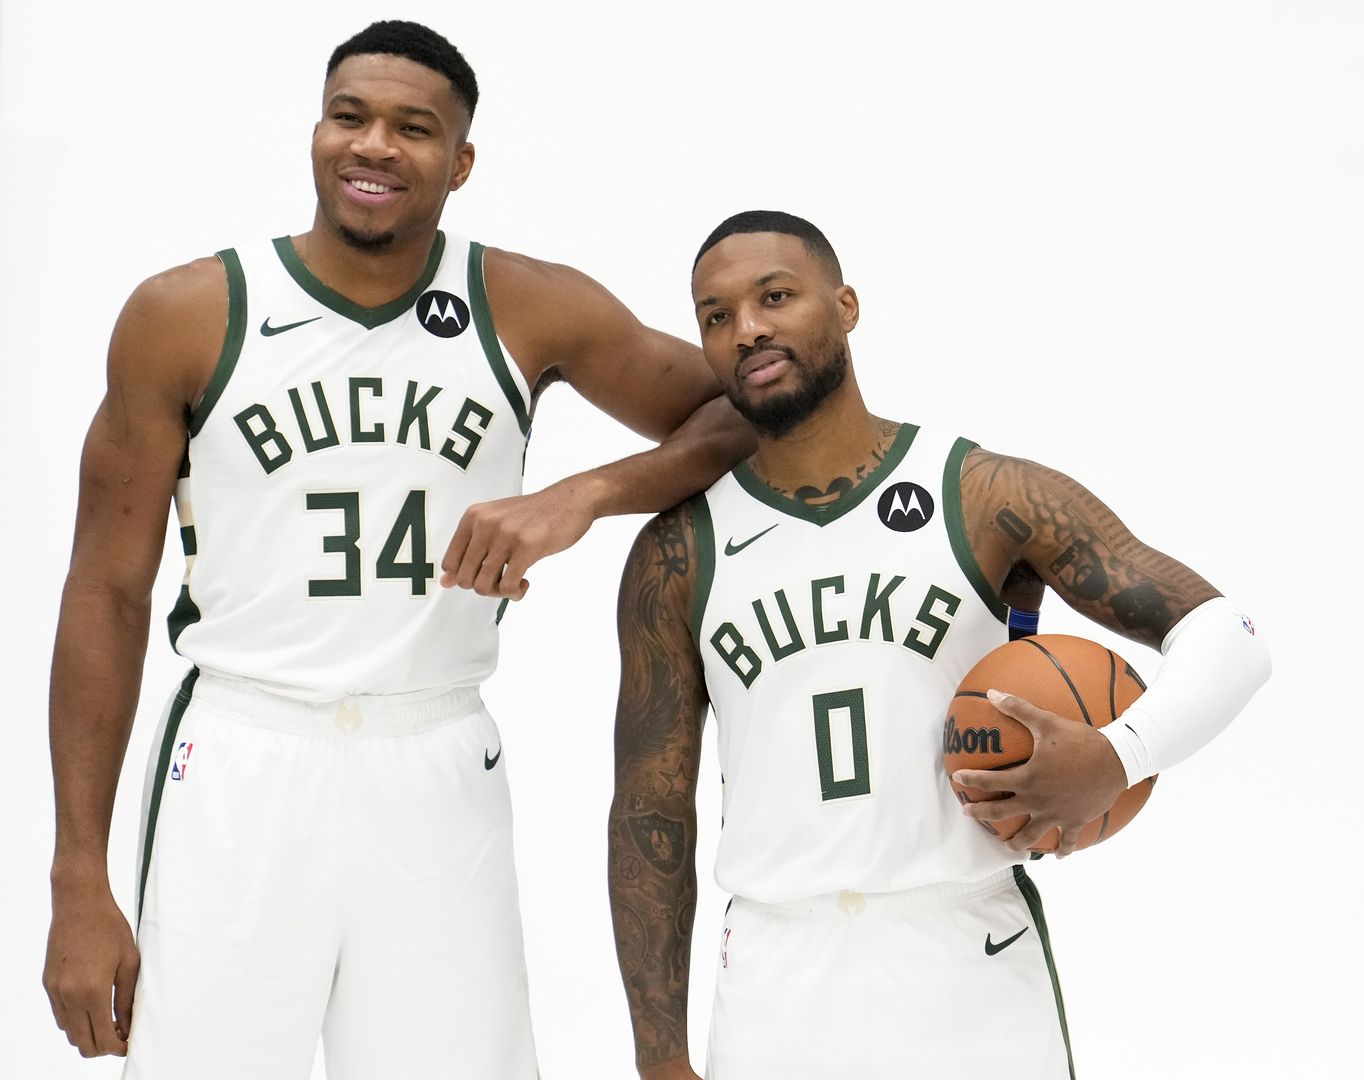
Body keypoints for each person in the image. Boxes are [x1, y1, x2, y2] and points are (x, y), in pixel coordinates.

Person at [41, 21, 753, 1080]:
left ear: (460, 162)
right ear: (316, 133)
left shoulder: (523, 303)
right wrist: (77, 881)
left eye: (413, 128)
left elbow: (740, 412)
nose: (374, 145)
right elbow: (105, 594)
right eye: (350, 117)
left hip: (436, 755)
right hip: (240, 750)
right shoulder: (187, 314)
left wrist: (582, 495)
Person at [608, 210, 1272, 1078]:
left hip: (967, 951)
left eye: (775, 296)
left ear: (845, 304)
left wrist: (1120, 756)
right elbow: (650, 813)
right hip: (775, 975)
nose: (749, 329)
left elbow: (1232, 637)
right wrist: (659, 1057)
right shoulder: (677, 552)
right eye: (717, 316)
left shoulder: (982, 494)